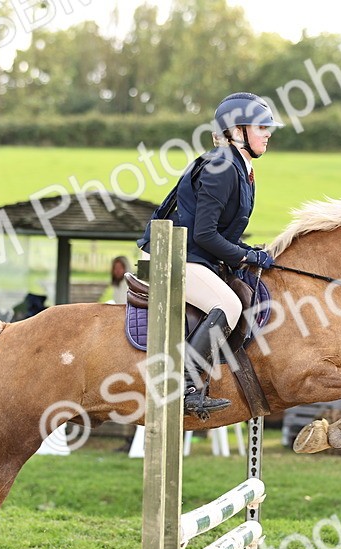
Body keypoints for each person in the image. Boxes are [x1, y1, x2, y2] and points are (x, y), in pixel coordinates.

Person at [137, 92, 282, 416]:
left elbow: (217, 235)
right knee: (228, 305)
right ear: (236, 131)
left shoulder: (239, 167)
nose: (268, 133)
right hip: (173, 257)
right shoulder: (221, 166)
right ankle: (183, 387)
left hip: (193, 255)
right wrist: (244, 257)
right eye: (261, 127)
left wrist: (247, 251)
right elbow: (204, 234)